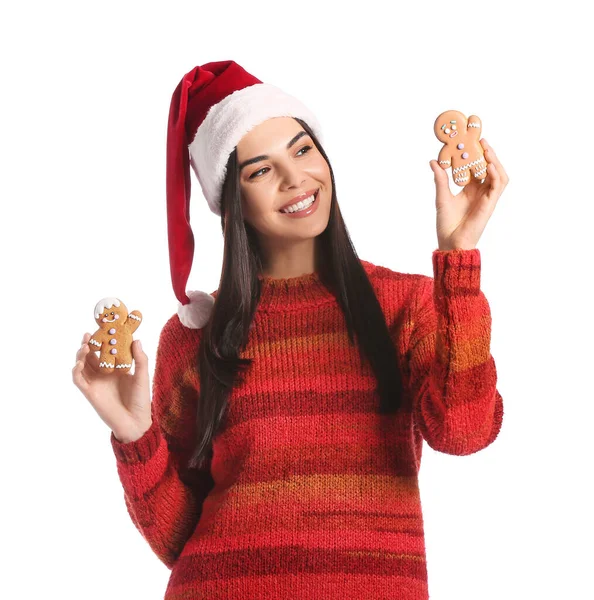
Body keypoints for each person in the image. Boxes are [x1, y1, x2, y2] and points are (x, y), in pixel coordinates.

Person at [72, 60, 508, 599]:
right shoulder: (194, 337)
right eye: (260, 170)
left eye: (302, 150)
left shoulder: (406, 304)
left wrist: (459, 260)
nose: (295, 177)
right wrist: (134, 435)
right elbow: (179, 541)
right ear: (231, 201)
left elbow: (463, 432)